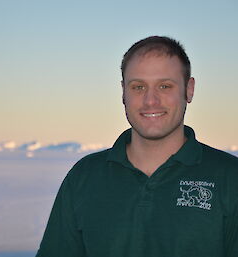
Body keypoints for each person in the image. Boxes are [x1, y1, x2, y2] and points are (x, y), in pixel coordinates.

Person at [35, 36, 238, 257]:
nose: (151, 100)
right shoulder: (85, 177)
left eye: (164, 86)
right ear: (124, 92)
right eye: (138, 87)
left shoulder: (229, 177)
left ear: (189, 90)